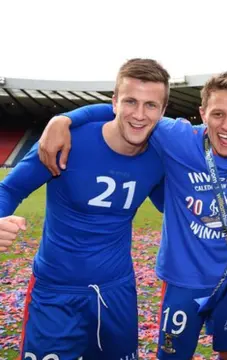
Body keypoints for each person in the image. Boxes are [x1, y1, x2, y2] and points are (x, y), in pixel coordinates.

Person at [37, 72, 227, 360]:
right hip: (183, 281)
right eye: (217, 114)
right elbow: (128, 111)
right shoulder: (175, 136)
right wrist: (62, 119)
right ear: (202, 112)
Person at [0, 58, 169, 359]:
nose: (139, 114)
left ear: (163, 110)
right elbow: (9, 188)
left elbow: (172, 206)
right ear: (114, 102)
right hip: (55, 294)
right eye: (130, 101)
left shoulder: (160, 154)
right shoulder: (68, 141)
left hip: (117, 293)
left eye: (150, 105)